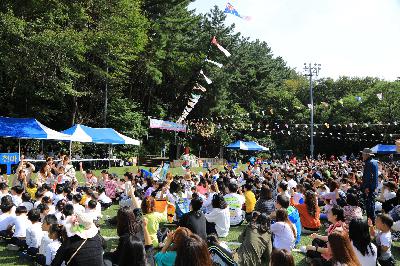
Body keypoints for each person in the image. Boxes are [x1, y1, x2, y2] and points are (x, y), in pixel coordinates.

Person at [361, 148, 379, 221]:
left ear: (367, 155)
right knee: (372, 204)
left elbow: (368, 177)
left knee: (369, 206)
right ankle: (372, 220)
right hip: (373, 186)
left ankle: (371, 221)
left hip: (369, 187)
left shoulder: (369, 163)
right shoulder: (374, 162)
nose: (362, 155)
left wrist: (366, 187)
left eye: (363, 154)